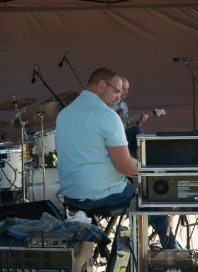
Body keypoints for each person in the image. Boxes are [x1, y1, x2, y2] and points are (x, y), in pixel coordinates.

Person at [56, 67, 179, 249]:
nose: (119, 96)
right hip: (102, 196)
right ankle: (173, 255)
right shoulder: (107, 115)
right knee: (154, 201)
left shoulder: (64, 114)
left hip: (71, 196)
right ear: (101, 85)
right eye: (116, 91)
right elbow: (125, 167)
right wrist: (154, 169)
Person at [113, 76, 148, 157]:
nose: (127, 92)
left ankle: (141, 162)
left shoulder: (124, 105)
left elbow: (125, 125)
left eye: (127, 89)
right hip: (109, 136)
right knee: (137, 130)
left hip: (122, 136)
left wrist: (139, 123)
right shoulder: (107, 103)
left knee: (137, 133)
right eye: (124, 89)